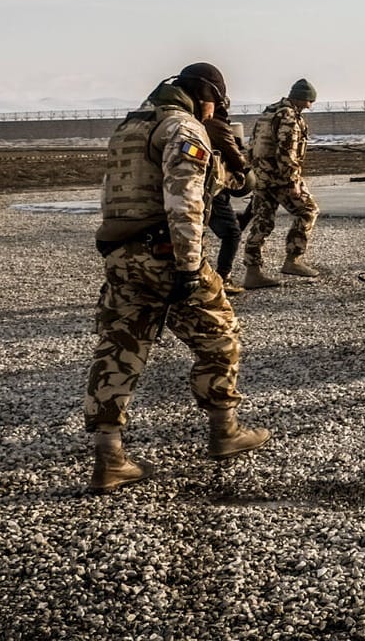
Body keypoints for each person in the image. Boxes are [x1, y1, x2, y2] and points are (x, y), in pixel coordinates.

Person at [86, 62, 271, 494]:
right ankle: (224, 431)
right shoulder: (184, 129)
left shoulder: (130, 128)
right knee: (220, 336)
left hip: (121, 256)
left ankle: (109, 456)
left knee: (118, 349)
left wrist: (231, 169)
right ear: (206, 98)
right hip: (164, 254)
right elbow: (184, 201)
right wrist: (189, 267)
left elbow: (127, 191)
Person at [241, 79, 320, 288]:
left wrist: (257, 172)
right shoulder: (289, 117)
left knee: (262, 222)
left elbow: (251, 145)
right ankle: (293, 259)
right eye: (310, 101)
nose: (310, 105)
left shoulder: (268, 113)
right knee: (308, 211)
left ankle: (252, 271)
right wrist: (292, 179)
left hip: (262, 177)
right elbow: (287, 150)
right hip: (280, 178)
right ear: (305, 99)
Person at [201, 98, 253, 295]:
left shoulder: (190, 122)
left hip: (195, 188)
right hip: (212, 188)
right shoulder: (215, 125)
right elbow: (235, 157)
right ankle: (223, 278)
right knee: (231, 233)